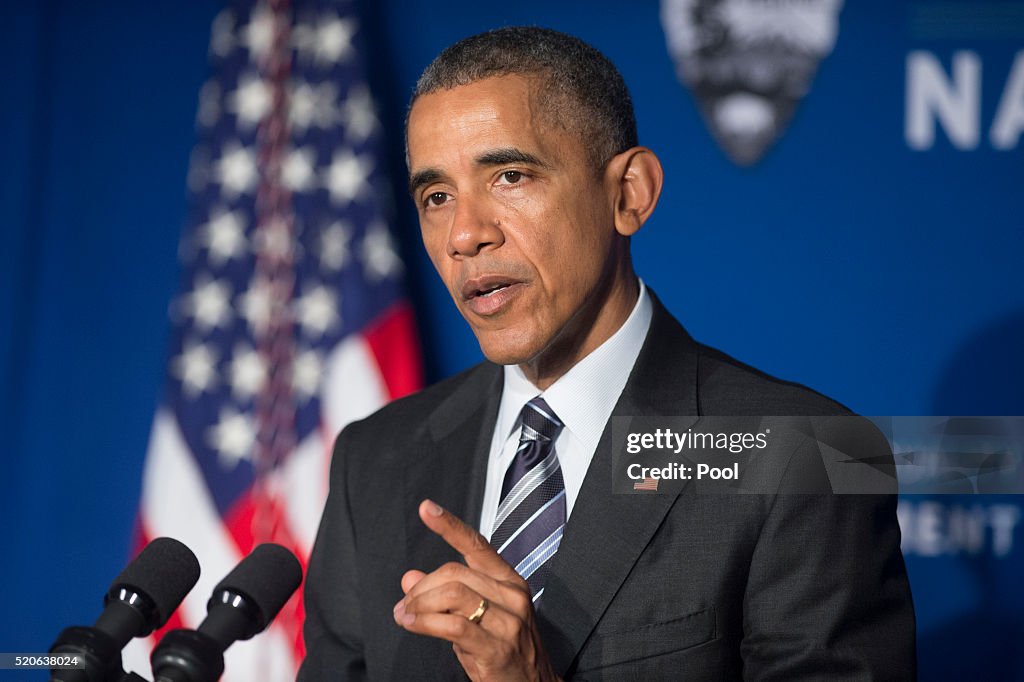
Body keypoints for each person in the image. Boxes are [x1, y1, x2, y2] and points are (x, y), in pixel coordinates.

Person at [299, 26, 915, 681]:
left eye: (509, 175)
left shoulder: (804, 458)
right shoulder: (375, 459)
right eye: (436, 196)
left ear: (630, 194)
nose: (465, 234)